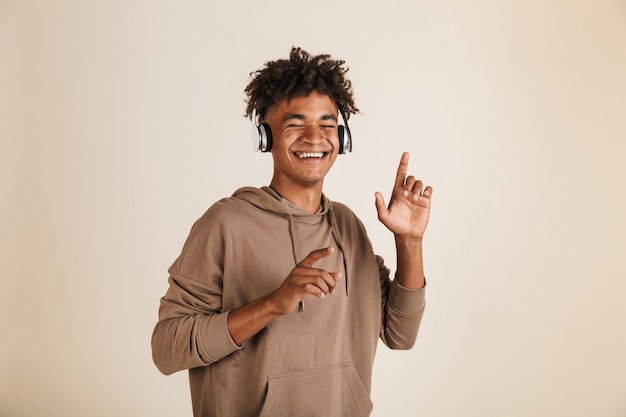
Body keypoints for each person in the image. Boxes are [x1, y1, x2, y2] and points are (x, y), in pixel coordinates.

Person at [151, 46, 433, 417]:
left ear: (343, 138)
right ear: (264, 137)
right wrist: (272, 304)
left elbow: (400, 335)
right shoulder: (225, 224)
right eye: (295, 123)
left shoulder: (348, 227)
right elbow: (166, 349)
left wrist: (409, 242)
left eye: (327, 124)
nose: (315, 137)